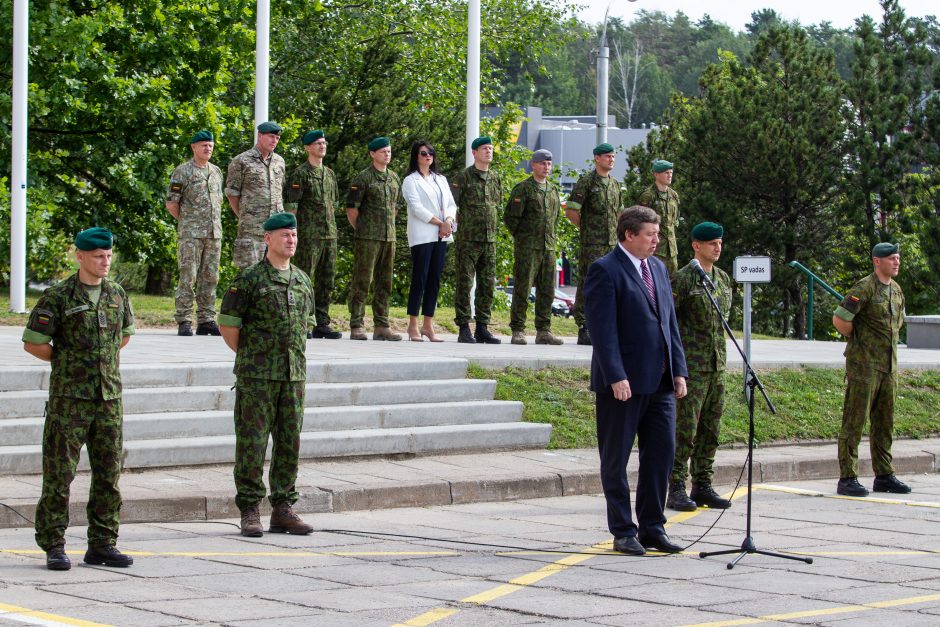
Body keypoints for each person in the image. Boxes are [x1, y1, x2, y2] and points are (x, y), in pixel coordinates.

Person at [22, 227, 136, 570]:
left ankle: (102, 543)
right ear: (80, 256)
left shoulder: (116, 294)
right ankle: (54, 543)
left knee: (108, 474)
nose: (105, 262)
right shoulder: (59, 296)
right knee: (59, 475)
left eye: (109, 256)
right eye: (99, 256)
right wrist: (67, 359)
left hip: (108, 399)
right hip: (70, 400)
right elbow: (34, 342)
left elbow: (124, 336)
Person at [583, 206, 688, 555]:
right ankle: (623, 530)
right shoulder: (604, 270)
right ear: (629, 234)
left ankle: (652, 527)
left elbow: (669, 324)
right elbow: (603, 331)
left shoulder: (658, 268)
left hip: (659, 381)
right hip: (623, 384)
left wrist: (679, 370)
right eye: (650, 234)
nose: (657, 240)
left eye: (657, 234)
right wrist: (616, 375)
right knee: (616, 460)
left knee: (661, 455)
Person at [218, 212, 316, 537]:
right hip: (257, 377)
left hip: (293, 376)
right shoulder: (249, 279)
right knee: (252, 443)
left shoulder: (302, 281)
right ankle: (249, 509)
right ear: (268, 239)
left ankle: (283, 508)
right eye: (285, 235)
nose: (291, 240)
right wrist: (251, 357)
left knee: (289, 443)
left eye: (294, 235)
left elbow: (306, 327)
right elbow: (228, 325)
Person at [832, 243, 910, 497]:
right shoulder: (864, 288)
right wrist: (860, 339)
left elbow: (898, 324)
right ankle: (848, 477)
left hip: (888, 367)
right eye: (891, 258)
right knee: (854, 422)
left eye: (897, 258)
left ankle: (884, 475)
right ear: (877, 261)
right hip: (864, 366)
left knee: (885, 423)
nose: (896, 262)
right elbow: (840, 319)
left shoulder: (896, 290)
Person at [668, 222, 733, 512]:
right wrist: (675, 368)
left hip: (716, 365)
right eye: (711, 243)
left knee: (711, 428)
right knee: (685, 430)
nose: (717, 248)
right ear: (696, 245)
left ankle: (703, 483)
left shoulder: (722, 279)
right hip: (691, 367)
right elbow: (668, 324)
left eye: (720, 242)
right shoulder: (683, 280)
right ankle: (675, 485)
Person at [284, 129, 342, 339]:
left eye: (324, 143)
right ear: (308, 147)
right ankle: (303, 320)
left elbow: (333, 205)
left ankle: (322, 322)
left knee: (327, 281)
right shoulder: (301, 174)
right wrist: (293, 235)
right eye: (318, 143)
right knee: (303, 279)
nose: (322, 146)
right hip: (309, 235)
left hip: (329, 235)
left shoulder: (329, 174)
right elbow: (292, 207)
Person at [166, 130, 224, 337]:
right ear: (193, 147)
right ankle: (184, 319)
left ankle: (206, 319)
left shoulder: (216, 172)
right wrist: (188, 223)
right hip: (191, 234)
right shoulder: (182, 171)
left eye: (210, 145)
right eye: (203, 145)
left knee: (210, 277)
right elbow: (172, 202)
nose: (208, 148)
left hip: (213, 233)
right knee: (187, 275)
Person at [565, 142, 623, 346]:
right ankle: (584, 325)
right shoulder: (587, 182)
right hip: (592, 244)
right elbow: (571, 211)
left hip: (612, 243)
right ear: (597, 158)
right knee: (588, 283)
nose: (611, 159)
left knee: (612, 285)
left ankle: (607, 326)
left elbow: (620, 214)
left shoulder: (615, 185)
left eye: (613, 156)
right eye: (607, 156)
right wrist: (587, 228)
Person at [346, 136, 403, 341]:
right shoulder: (363, 178)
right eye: (383, 151)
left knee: (385, 282)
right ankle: (357, 324)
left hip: (389, 238)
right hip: (368, 238)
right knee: (363, 280)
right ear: (372, 154)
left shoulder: (394, 178)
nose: (387, 154)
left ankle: (382, 324)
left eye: (388, 151)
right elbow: (352, 209)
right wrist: (362, 231)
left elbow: (396, 207)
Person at [504, 149, 563, 345]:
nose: (546, 167)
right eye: (542, 163)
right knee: (523, 288)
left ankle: (543, 330)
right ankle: (518, 329)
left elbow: (555, 218)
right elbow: (511, 219)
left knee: (547, 290)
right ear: (533, 165)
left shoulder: (553, 190)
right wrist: (523, 239)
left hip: (548, 247)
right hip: (528, 248)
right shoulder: (524, 189)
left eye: (549, 164)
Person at [401, 140, 456, 342]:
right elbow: (417, 208)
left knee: (434, 280)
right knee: (420, 279)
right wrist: (440, 223)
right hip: (423, 235)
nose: (428, 156)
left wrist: (448, 221)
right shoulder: (410, 181)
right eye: (424, 153)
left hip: (441, 235)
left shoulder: (440, 179)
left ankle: (428, 325)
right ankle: (413, 324)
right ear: (416, 156)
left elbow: (450, 203)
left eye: (430, 153)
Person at [450, 136, 502, 344]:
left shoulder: (495, 177)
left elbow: (495, 206)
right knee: (464, 282)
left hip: (489, 240)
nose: (488, 151)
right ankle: (464, 327)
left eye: (490, 148)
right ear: (474, 153)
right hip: (468, 239)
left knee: (487, 284)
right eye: (484, 148)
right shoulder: (463, 177)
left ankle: (482, 327)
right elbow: (451, 206)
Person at [226, 121, 286, 269]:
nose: (274, 141)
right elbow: (232, 194)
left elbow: (280, 190)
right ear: (260, 136)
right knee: (249, 274)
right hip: (251, 231)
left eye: (277, 138)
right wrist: (245, 216)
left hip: (275, 230)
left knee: (274, 273)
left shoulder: (279, 162)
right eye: (271, 136)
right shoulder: (241, 161)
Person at [636, 159, 680, 276]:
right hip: (654, 250)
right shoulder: (648, 196)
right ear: (656, 174)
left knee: (673, 287)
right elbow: (640, 223)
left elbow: (675, 221)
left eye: (671, 172)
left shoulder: (673, 195)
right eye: (666, 173)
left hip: (672, 251)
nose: (670, 175)